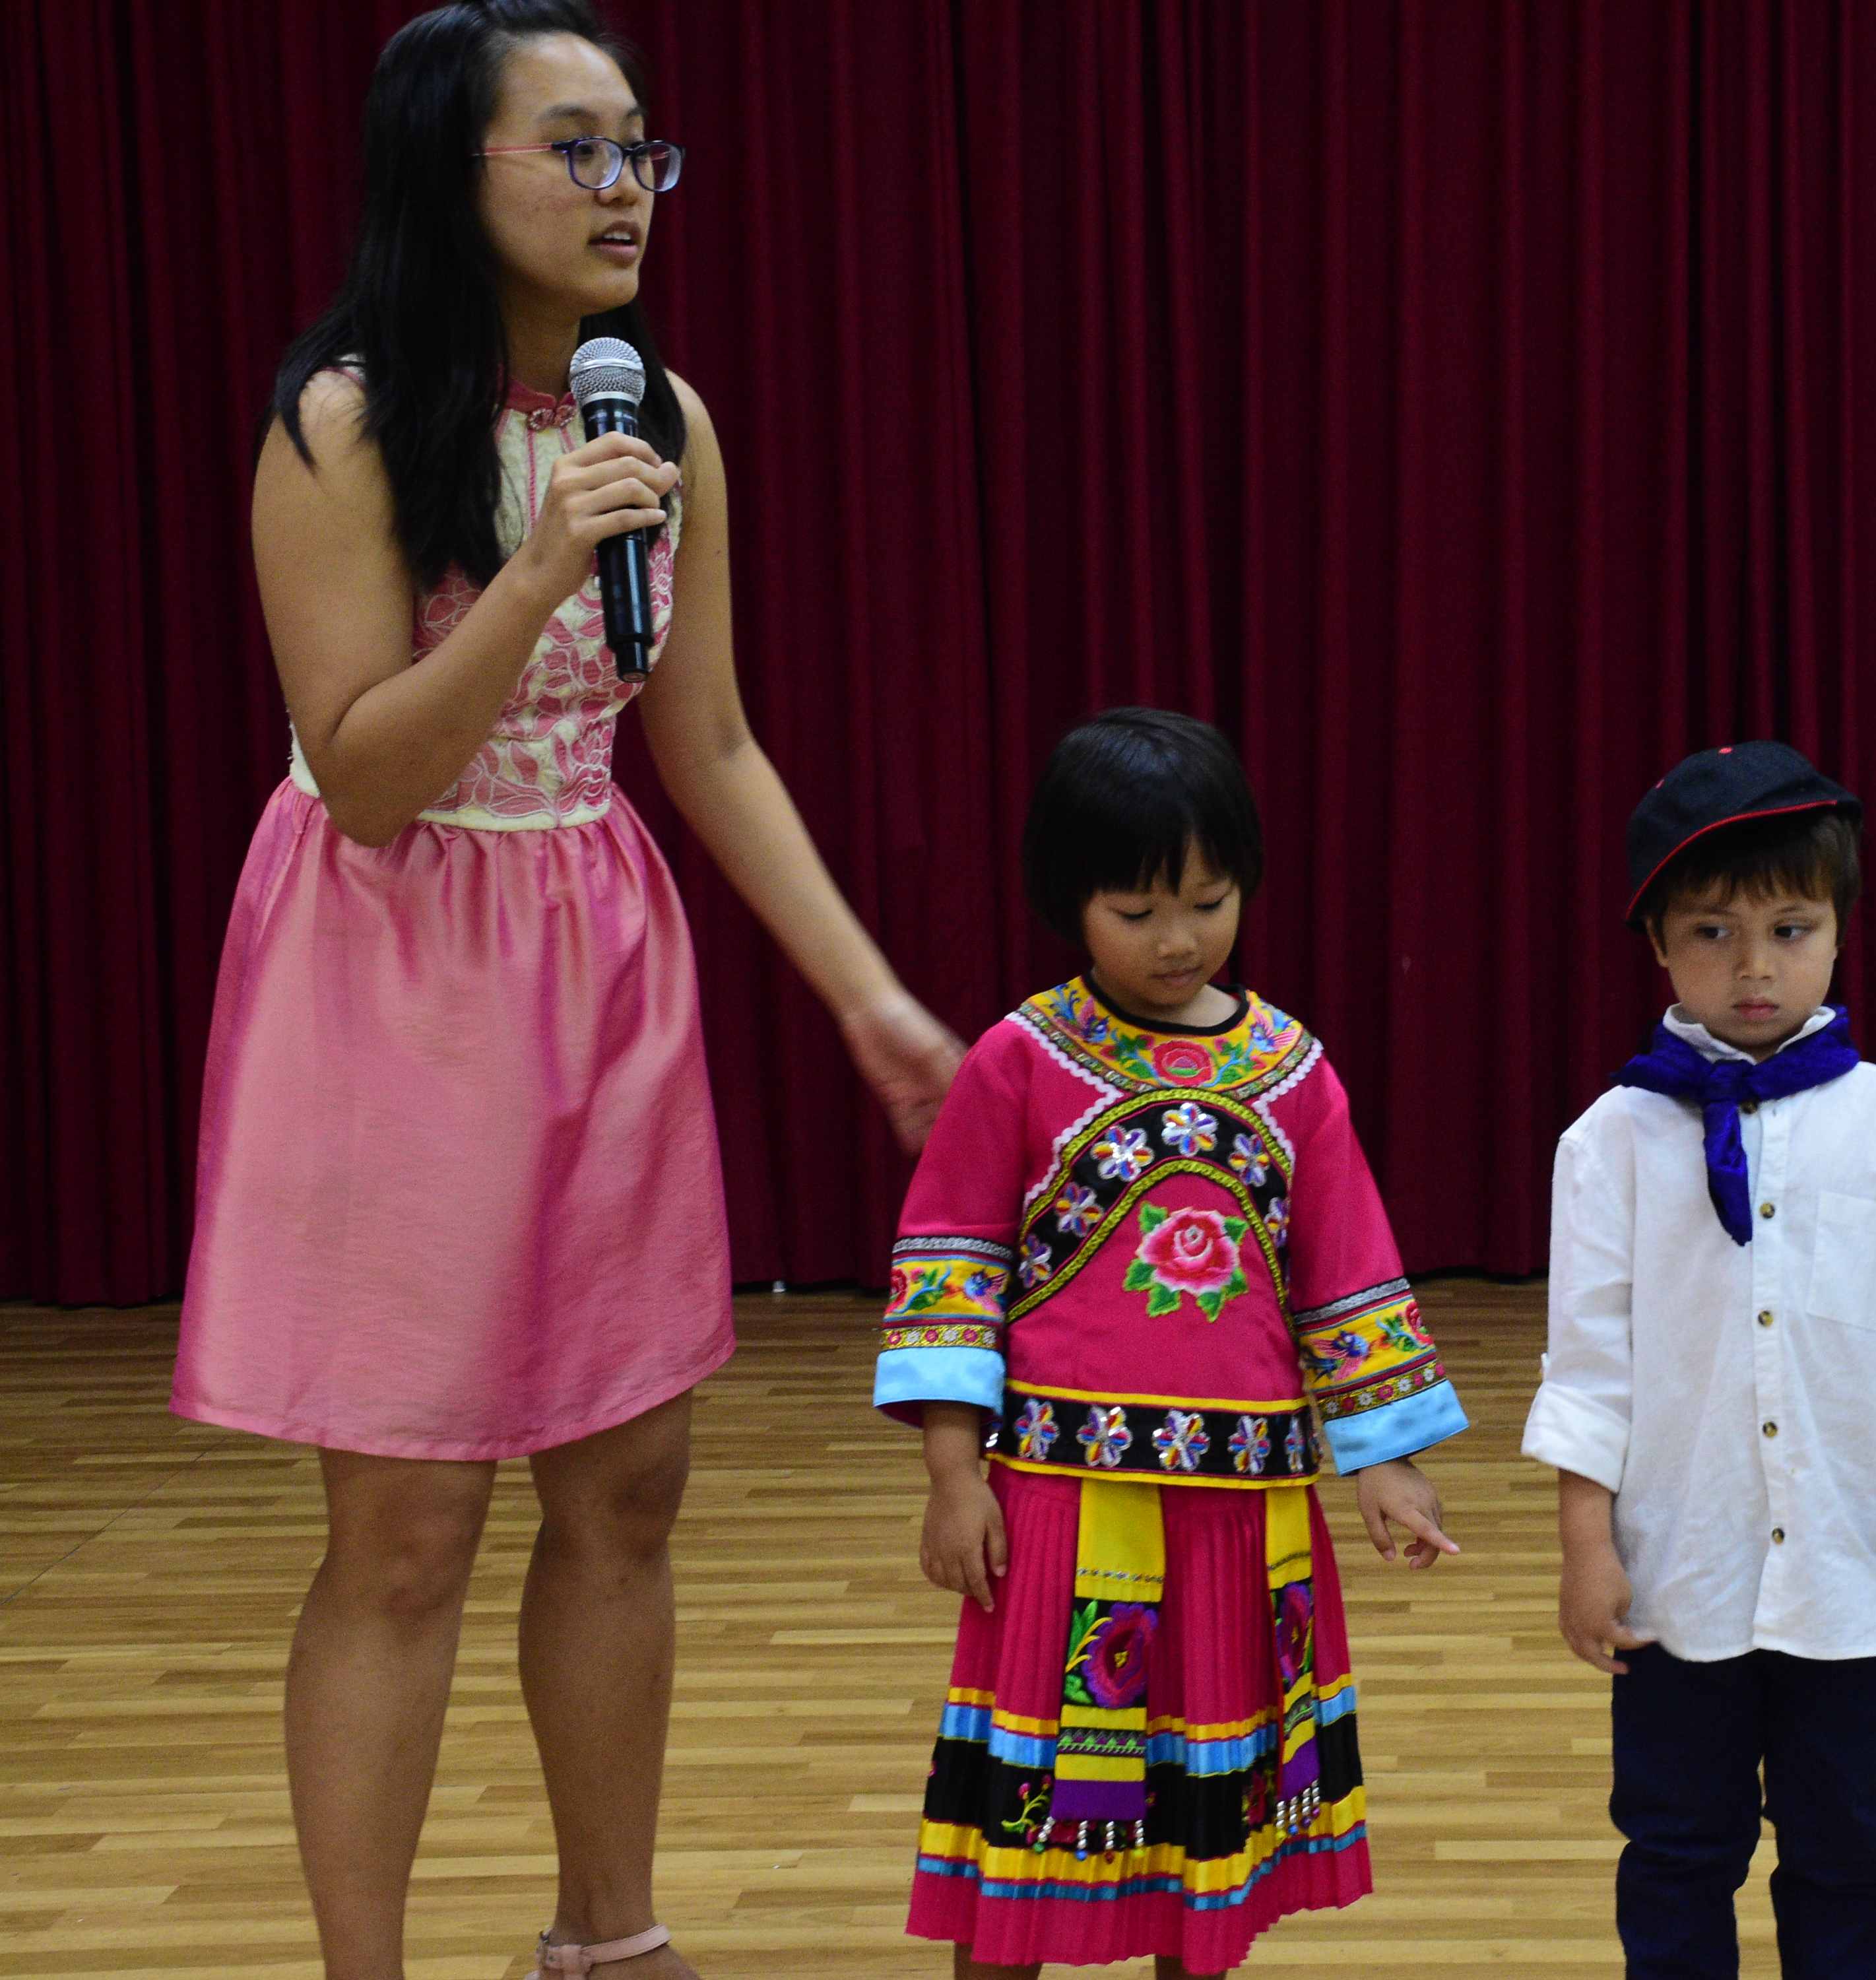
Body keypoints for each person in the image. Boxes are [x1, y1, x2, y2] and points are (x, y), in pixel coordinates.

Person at [168, 7, 964, 1975]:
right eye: (578, 149)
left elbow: (709, 742)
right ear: (452, 174)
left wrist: (866, 997)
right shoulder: (345, 422)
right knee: (409, 1526)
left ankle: (608, 1935)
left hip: (593, 956)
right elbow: (364, 773)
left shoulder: (661, 420)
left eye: (642, 153)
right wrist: (532, 571)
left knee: (627, 1484)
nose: (625, 191)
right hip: (389, 971)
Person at [884, 709, 1468, 1977]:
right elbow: (952, 1267)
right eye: (1137, 909)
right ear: (1068, 899)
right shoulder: (1018, 1062)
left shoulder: (1293, 1071)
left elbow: (1346, 1275)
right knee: (1027, 1817)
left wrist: (1388, 1459)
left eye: (1207, 902)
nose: (1177, 939)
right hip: (1058, 1507)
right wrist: (951, 1473)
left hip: (1240, 1517)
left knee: (1208, 1829)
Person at [1523, 742, 1876, 1979]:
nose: (1755, 967)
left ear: (1838, 930)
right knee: (1677, 1844)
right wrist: (1588, 1550)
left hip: (1855, 1573)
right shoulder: (1609, 1141)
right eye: (1714, 933)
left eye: (1790, 930)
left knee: (1845, 1842)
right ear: (1658, 944)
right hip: (1678, 1574)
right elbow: (1588, 1370)